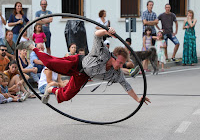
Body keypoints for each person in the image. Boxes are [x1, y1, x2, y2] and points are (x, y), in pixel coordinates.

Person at [16, 27, 150, 105]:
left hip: (83, 75)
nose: (120, 65)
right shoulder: (103, 52)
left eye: (122, 64)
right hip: (76, 62)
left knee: (66, 96)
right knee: (51, 63)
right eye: (119, 62)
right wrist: (106, 31)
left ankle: (49, 90)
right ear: (114, 57)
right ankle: (32, 47)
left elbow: (127, 86)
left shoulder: (117, 73)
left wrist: (138, 98)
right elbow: (96, 35)